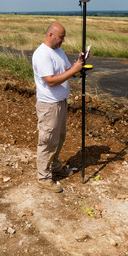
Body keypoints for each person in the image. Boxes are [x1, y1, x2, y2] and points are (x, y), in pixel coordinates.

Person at [32, 23, 85, 193]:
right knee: (47, 141)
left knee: (60, 137)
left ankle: (54, 166)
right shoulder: (42, 54)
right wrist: (73, 71)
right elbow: (51, 80)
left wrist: (79, 65)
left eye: (63, 37)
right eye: (61, 37)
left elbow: (68, 71)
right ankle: (44, 177)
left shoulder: (58, 52)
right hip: (49, 106)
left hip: (61, 102)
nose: (63, 40)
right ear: (50, 35)